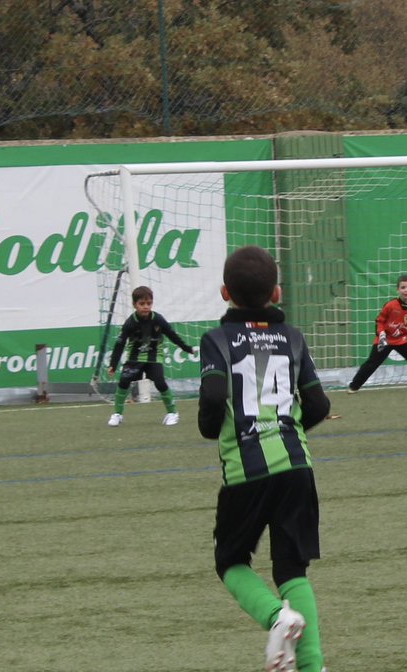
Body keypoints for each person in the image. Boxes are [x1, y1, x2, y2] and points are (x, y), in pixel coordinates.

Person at [197, 245, 332, 672]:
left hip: (246, 471)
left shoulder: (217, 339)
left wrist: (211, 426)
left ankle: (276, 617)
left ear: (224, 293)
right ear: (276, 292)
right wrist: (286, 428)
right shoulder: (292, 337)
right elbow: (319, 404)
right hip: (297, 467)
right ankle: (312, 668)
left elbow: (215, 396)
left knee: (231, 562)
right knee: (293, 568)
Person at [105, 285, 194, 426]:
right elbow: (120, 343)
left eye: (148, 303)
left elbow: (172, 335)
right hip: (134, 357)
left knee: (160, 381)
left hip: (154, 357)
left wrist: (186, 348)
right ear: (134, 305)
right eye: (142, 304)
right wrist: (113, 365)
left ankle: (172, 413)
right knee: (123, 382)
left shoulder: (158, 319)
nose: (146, 307)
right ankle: (117, 414)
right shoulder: (130, 323)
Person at [348, 274, 407, 392]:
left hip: (402, 340)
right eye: (403, 287)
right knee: (372, 363)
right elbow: (380, 321)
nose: (406, 290)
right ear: (397, 289)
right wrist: (381, 335)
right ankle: (354, 386)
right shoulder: (390, 305)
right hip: (385, 340)